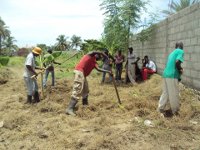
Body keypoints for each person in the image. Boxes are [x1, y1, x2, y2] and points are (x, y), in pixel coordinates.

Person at [66, 51, 112, 116]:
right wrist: (105, 55)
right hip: (79, 72)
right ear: (97, 54)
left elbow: (99, 69)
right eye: (99, 55)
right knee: (78, 89)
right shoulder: (90, 55)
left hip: (83, 75)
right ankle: (69, 109)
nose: (100, 57)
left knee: (86, 90)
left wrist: (108, 71)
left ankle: (85, 106)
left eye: (100, 57)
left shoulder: (94, 62)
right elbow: (94, 51)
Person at [158, 41, 184, 117]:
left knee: (165, 92)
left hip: (165, 74)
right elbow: (177, 62)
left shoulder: (171, 53)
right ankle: (175, 111)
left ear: (175, 46)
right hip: (172, 75)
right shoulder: (180, 51)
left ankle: (160, 108)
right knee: (173, 93)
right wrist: (180, 70)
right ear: (181, 46)